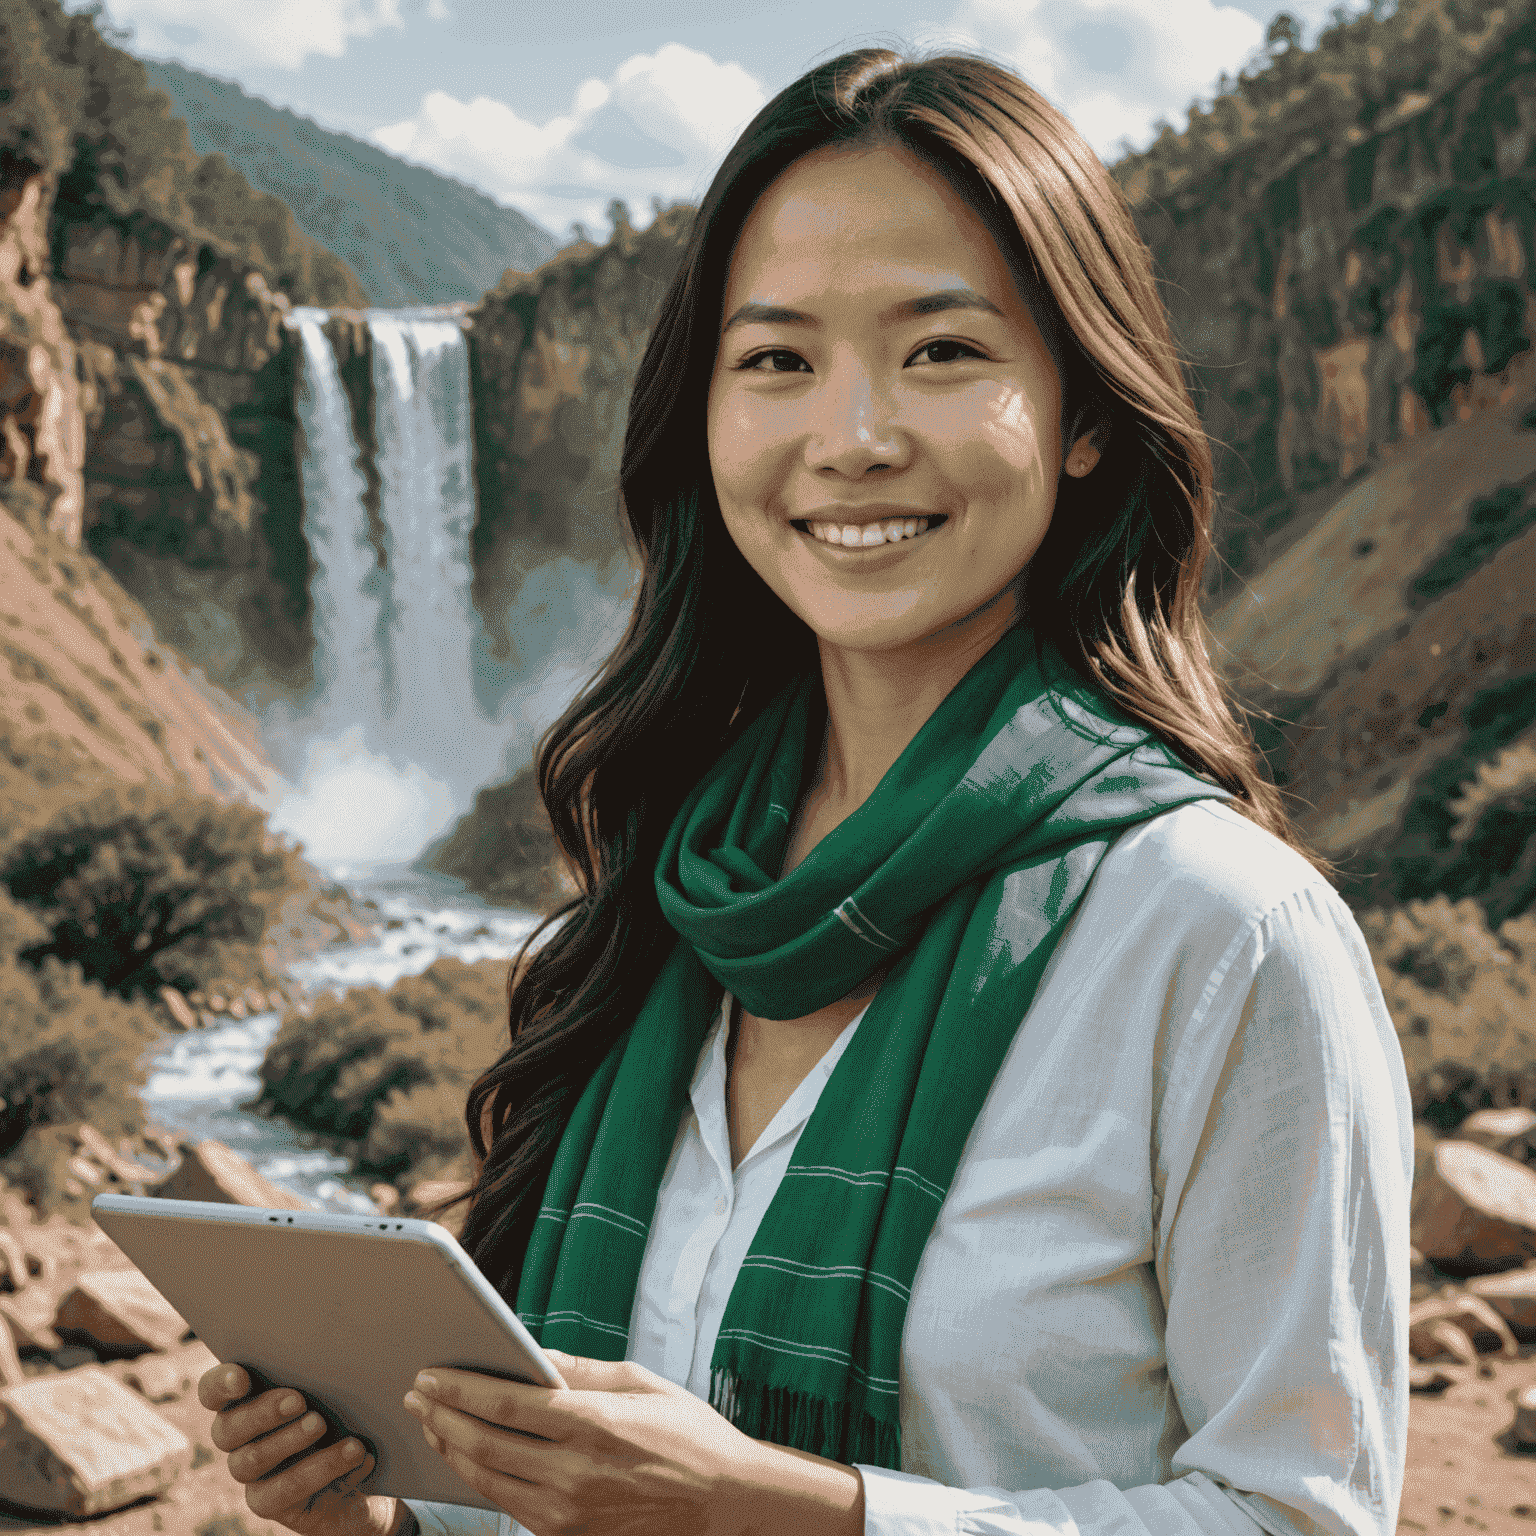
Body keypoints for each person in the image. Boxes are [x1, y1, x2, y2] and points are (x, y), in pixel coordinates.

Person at [201, 46, 1413, 1536]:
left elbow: (1305, 1517)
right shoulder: (675, 897)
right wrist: (382, 1514)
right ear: (702, 422)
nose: (853, 439)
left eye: (942, 353)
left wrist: (797, 1514)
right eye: (776, 360)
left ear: (1086, 414)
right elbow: (589, 1489)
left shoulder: (1224, 941)